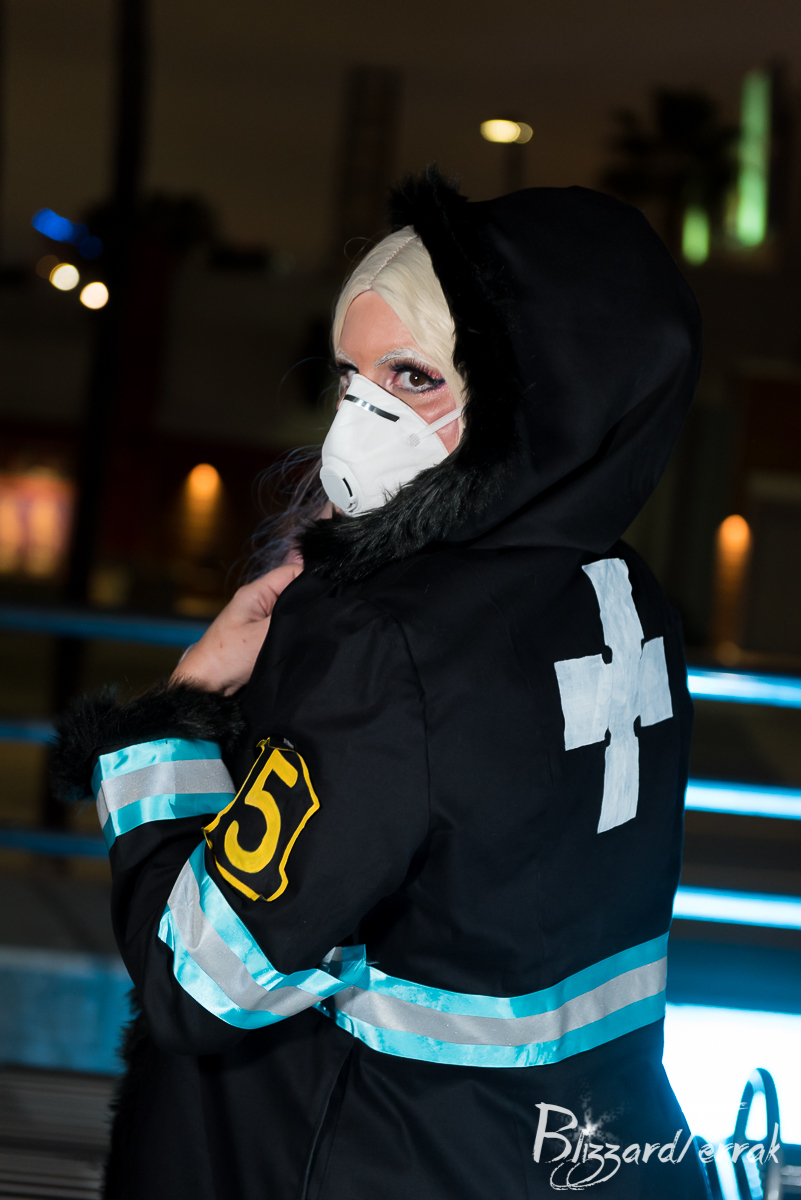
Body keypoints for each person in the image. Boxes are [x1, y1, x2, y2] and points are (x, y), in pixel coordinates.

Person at [54, 167, 709, 1199]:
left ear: (535, 393)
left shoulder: (385, 640)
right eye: (351, 378)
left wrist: (169, 724)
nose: (360, 418)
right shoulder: (632, 598)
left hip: (384, 1158)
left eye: (413, 377)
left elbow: (202, 980)